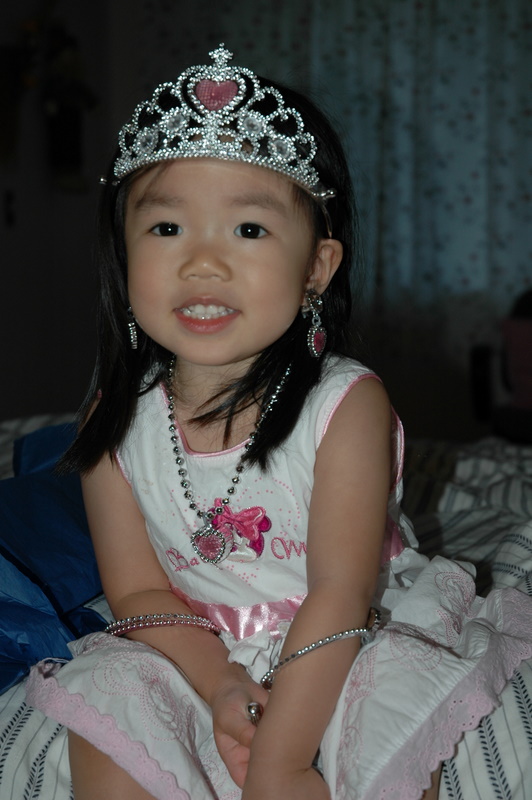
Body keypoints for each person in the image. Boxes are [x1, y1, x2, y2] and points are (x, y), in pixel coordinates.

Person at [26, 45, 532, 800]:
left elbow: (339, 592)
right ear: (122, 258)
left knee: (386, 726)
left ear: (316, 269)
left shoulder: (345, 406)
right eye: (165, 228)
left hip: (344, 633)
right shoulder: (113, 420)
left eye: (249, 230)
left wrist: (282, 762)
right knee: (106, 704)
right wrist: (221, 683)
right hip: (194, 639)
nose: (202, 262)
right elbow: (138, 594)